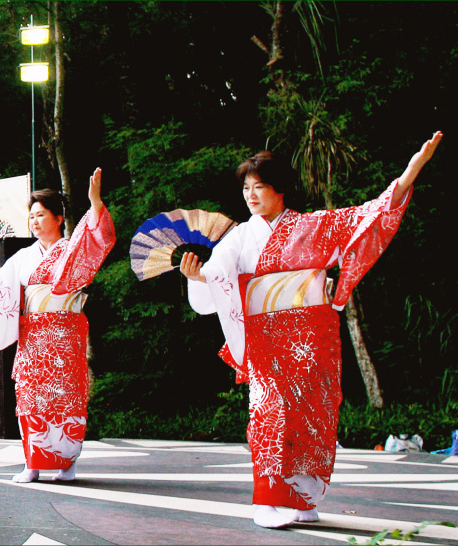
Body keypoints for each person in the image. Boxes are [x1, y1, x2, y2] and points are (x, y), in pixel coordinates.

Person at [179, 132, 443, 529]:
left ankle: (301, 497)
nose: (251, 195)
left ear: (280, 189)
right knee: (270, 412)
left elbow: (368, 216)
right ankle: (266, 501)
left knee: (312, 415)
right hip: (266, 337)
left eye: (260, 187)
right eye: (247, 188)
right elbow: (217, 279)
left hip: (311, 335)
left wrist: (410, 172)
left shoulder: (314, 225)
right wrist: (199, 278)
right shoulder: (239, 237)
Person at [0, 169, 115, 484]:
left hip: (65, 336)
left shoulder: (71, 249)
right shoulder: (23, 258)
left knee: (66, 397)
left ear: (59, 217)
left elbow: (97, 239)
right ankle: (33, 464)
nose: (34, 221)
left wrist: (94, 202)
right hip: (34, 338)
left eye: (41, 215)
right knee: (29, 396)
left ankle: (68, 464)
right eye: (31, 216)